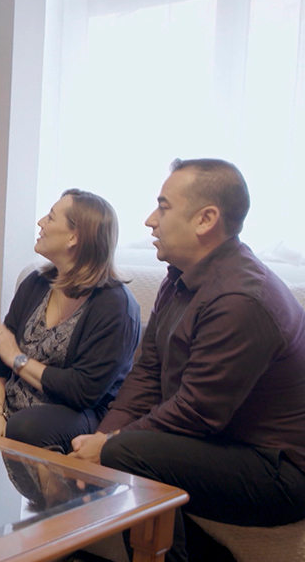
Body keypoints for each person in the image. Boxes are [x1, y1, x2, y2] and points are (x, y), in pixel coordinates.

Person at [70, 159, 305, 562]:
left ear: (205, 219)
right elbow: (146, 374)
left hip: (277, 470)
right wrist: (94, 448)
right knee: (102, 449)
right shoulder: (179, 277)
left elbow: (197, 412)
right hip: (220, 443)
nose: (150, 220)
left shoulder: (240, 298)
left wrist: (107, 446)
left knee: (124, 453)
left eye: (163, 207)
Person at [0, 189, 140, 453]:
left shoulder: (115, 305)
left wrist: (18, 359)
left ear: (74, 237)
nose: (40, 223)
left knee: (25, 427)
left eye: (51, 217)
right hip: (16, 395)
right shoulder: (37, 283)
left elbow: (82, 391)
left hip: (76, 412)